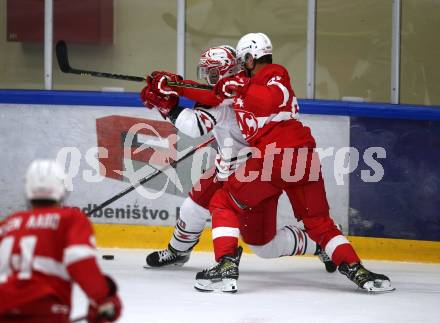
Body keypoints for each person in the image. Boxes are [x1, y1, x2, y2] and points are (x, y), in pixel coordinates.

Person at [191, 33, 393, 293]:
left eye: (244, 61)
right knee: (319, 223)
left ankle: (226, 267)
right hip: (303, 156)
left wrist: (239, 87)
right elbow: (211, 93)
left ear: (251, 58)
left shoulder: (273, 75)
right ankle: (357, 270)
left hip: (275, 157)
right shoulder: (247, 82)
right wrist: (172, 86)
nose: (241, 68)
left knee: (222, 201)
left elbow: (269, 98)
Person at [141, 45, 336, 279]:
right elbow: (210, 95)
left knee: (264, 246)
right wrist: (175, 86)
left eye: (213, 72)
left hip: (257, 172)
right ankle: (178, 251)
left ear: (228, 70)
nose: (209, 78)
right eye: (207, 72)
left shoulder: (237, 91)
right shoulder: (238, 84)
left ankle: (318, 243)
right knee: (193, 207)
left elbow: (197, 125)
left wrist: (167, 107)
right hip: (230, 165)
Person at [0, 160, 122, 322]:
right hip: (46, 308)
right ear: (62, 188)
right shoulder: (70, 218)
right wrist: (102, 299)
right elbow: (80, 260)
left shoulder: (9, 223)